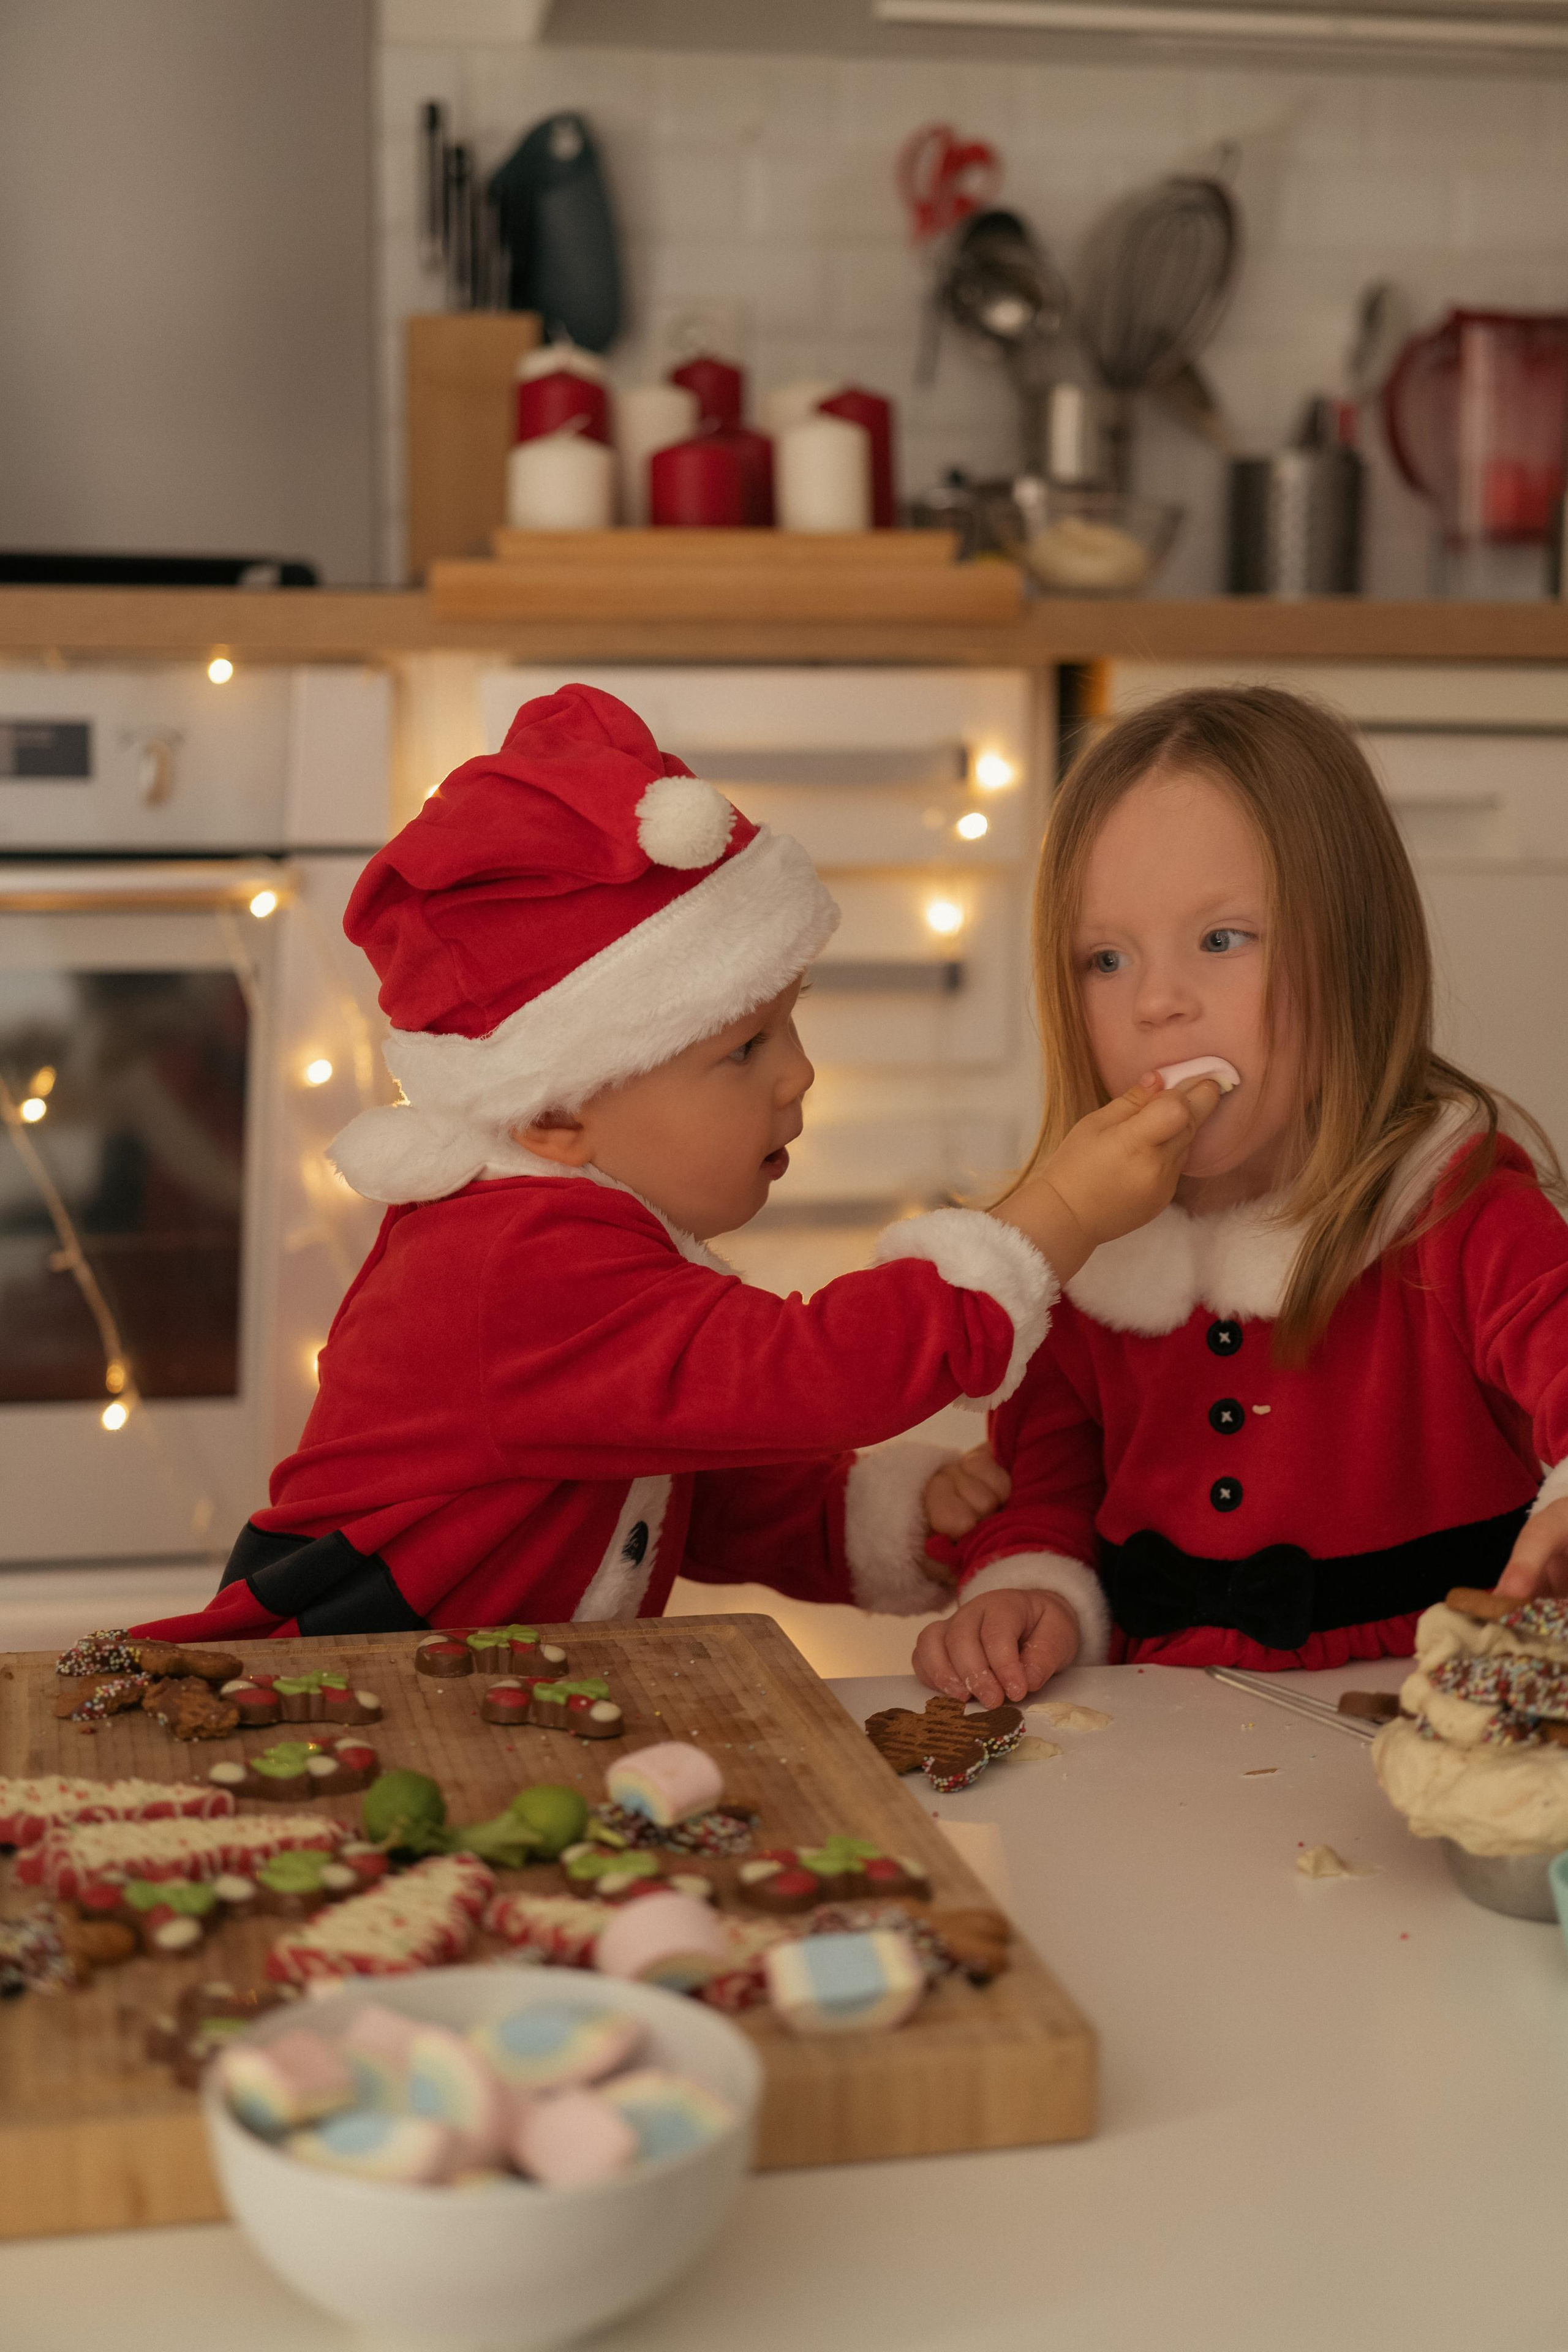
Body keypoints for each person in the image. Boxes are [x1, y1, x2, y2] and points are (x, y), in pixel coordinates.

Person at [130, 684, 1218, 1645]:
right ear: (553, 1112)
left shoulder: (587, 1233)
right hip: (336, 1678)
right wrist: (1057, 1212)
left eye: (788, 1028)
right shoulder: (515, 1261)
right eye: (741, 1050)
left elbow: (695, 1485)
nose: (795, 1077)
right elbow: (811, 1374)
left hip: (465, 1703)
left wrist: (876, 1520)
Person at [916, 684, 1568, 1710]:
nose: (1157, 1001)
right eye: (1106, 959)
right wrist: (1027, 1586)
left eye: (1223, 940)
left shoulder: (1455, 1211)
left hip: (1437, 1719)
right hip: (1157, 1748)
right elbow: (1043, 1487)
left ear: (1352, 954)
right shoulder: (1087, 1249)